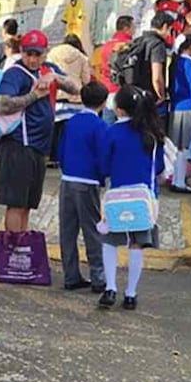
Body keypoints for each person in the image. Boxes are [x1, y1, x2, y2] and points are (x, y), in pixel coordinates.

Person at [0, 30, 80, 231]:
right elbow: (3, 104)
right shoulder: (15, 73)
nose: (32, 59)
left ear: (45, 53)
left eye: (37, 54)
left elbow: (76, 87)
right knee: (16, 204)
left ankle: (22, 247)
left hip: (39, 147)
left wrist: (54, 77)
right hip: (19, 146)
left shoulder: (48, 69)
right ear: (22, 52)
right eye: (28, 54)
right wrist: (34, 96)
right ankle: (14, 250)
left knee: (28, 204)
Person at [97, 86, 165, 311]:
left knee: (110, 243)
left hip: (117, 196)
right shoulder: (152, 134)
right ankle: (131, 294)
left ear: (118, 109)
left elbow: (104, 166)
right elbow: (160, 168)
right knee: (137, 246)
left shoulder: (112, 132)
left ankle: (110, 287)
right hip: (144, 198)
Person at [57, 80, 109, 293]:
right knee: (92, 231)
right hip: (88, 182)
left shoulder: (71, 122)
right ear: (103, 103)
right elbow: (103, 157)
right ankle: (98, 277)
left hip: (67, 179)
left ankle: (71, 275)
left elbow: (60, 151)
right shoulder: (100, 126)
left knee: (67, 230)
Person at [47, 34, 93, 161]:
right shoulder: (81, 57)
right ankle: (69, 155)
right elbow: (86, 80)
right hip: (75, 96)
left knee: (55, 128)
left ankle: (53, 156)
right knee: (72, 130)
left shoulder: (52, 53)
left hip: (57, 96)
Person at [168, 36, 191, 193]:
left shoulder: (174, 63)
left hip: (175, 107)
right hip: (188, 107)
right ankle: (181, 181)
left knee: (176, 146)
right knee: (185, 147)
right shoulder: (189, 63)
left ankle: (176, 179)